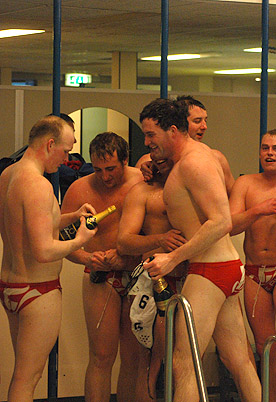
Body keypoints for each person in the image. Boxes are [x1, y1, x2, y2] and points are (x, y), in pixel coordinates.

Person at [140, 98, 261, 401]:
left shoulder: (194, 163)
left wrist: (172, 258)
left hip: (210, 270)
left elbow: (221, 221)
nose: (147, 142)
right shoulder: (191, 159)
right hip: (222, 267)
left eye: (151, 135)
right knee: (238, 360)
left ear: (172, 131)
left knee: (184, 363)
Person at [0, 116, 97, 401]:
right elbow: (43, 251)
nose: (67, 160)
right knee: (27, 379)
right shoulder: (39, 185)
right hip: (37, 291)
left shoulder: (8, 175)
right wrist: (80, 240)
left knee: (22, 375)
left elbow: (25, 222)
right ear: (49, 144)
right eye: (65, 151)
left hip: (12, 286)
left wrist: (71, 216)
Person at [61, 132, 143, 402]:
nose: (105, 177)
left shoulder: (141, 181)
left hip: (137, 274)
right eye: (98, 170)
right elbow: (62, 242)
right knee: (101, 356)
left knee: (134, 357)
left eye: (111, 169)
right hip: (100, 276)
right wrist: (87, 258)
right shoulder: (79, 189)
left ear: (125, 161)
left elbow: (157, 233)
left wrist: (129, 259)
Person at [229, 129, 276, 401]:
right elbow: (231, 226)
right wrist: (258, 210)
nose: (270, 153)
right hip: (255, 273)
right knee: (264, 346)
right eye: (265, 148)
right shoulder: (245, 184)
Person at [116, 155, 187, 401]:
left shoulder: (191, 184)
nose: (155, 163)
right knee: (150, 361)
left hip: (191, 277)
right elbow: (124, 242)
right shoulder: (142, 192)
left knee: (186, 358)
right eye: (151, 159)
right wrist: (160, 239)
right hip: (155, 282)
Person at [135, 95, 235, 194]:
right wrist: (155, 172)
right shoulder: (149, 161)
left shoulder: (213, 158)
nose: (204, 126)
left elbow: (230, 197)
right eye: (197, 121)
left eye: (205, 120)